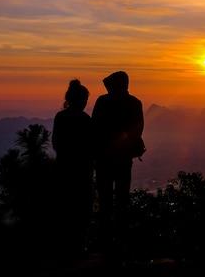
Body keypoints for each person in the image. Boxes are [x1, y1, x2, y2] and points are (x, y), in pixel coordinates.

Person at [91, 70, 144, 260]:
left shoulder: (103, 102)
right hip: (123, 160)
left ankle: (106, 245)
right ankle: (121, 243)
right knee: (122, 201)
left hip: (104, 159)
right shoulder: (134, 103)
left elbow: (94, 129)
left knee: (105, 202)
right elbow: (139, 130)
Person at [51, 78, 94, 259]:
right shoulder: (85, 120)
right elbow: (91, 146)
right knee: (80, 211)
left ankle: (66, 249)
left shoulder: (61, 117)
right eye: (84, 100)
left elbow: (56, 144)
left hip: (65, 170)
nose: (85, 103)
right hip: (81, 172)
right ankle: (77, 248)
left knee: (66, 210)